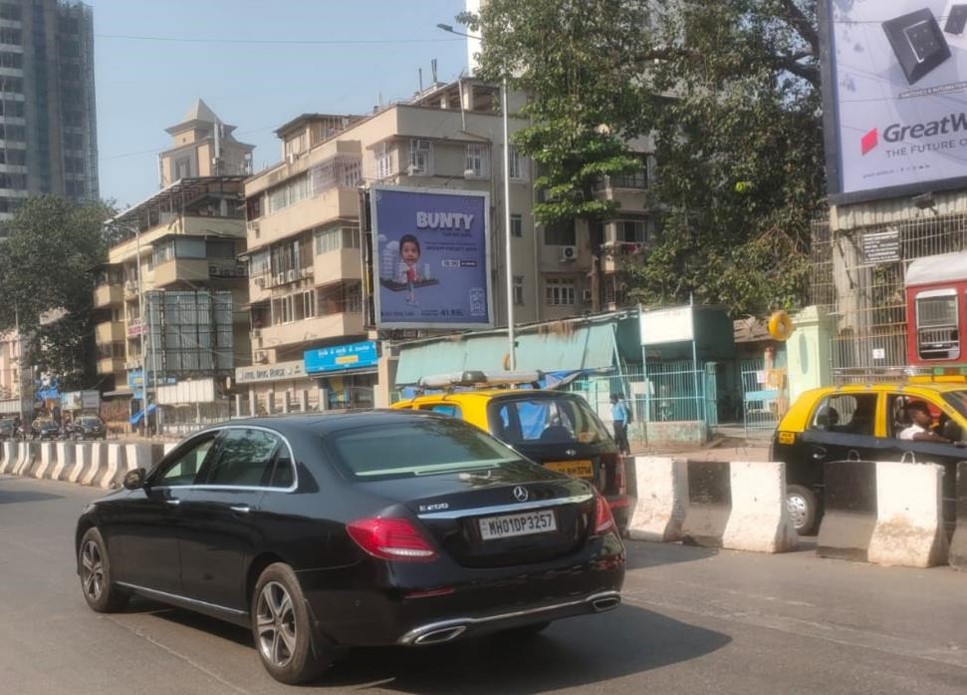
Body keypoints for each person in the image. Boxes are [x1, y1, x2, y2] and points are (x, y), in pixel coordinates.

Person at [396, 234, 423, 305]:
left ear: (419, 254)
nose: (410, 254)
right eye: (406, 250)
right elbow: (401, 275)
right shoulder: (402, 266)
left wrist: (419, 278)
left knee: (411, 289)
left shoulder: (416, 266)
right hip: (408, 281)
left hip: (411, 280)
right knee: (410, 289)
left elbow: (419, 273)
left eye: (413, 251)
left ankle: (411, 299)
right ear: (401, 254)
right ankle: (410, 299)